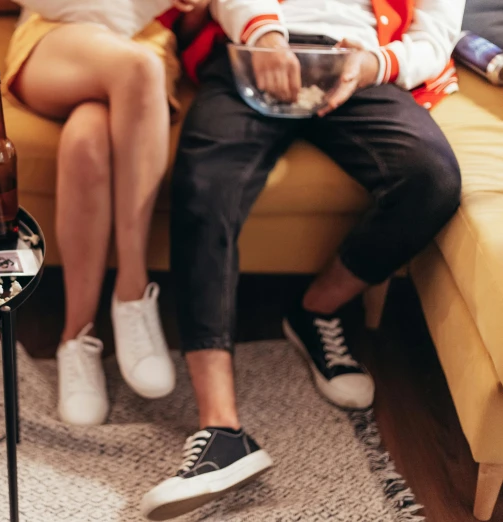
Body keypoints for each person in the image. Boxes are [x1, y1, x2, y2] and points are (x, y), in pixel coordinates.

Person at [141, 0, 464, 518]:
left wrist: (374, 66)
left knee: (432, 180)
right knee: (204, 187)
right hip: (255, 51)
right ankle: (221, 431)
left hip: (361, 67)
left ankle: (315, 309)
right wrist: (264, 35)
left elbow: (437, 36)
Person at [4, 1, 192, 426]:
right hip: (57, 35)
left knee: (87, 141)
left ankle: (77, 335)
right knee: (139, 68)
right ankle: (132, 288)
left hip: (144, 37)